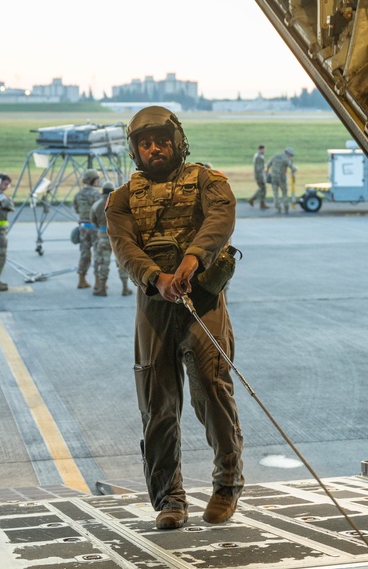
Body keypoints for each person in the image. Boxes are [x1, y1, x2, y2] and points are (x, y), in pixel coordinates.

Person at [107, 106, 244, 531]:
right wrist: (156, 277)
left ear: (177, 141)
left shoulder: (208, 181)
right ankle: (170, 497)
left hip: (201, 299)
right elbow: (125, 248)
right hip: (155, 304)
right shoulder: (121, 199)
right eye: (144, 144)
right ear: (135, 151)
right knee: (157, 402)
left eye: (161, 141)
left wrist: (192, 260)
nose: (154, 149)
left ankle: (226, 484)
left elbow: (221, 219)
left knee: (212, 390)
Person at [89, 181, 132, 297]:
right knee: (121, 263)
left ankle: (102, 288)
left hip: (103, 237)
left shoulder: (96, 205)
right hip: (118, 237)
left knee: (103, 262)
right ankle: (125, 288)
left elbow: (93, 221)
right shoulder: (119, 204)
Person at [73, 169, 102, 289]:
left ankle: (81, 280)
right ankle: (98, 282)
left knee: (84, 253)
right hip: (95, 228)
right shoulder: (97, 194)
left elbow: (76, 209)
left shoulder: (78, 194)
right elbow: (101, 210)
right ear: (93, 181)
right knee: (98, 255)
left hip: (83, 228)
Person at [267, 147, 297, 214]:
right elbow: (292, 167)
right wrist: (295, 168)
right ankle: (286, 208)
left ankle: (278, 208)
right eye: (291, 155)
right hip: (281, 177)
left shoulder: (276, 156)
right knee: (284, 193)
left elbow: (268, 164)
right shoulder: (286, 159)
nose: (291, 157)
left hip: (273, 177)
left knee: (275, 194)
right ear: (288, 154)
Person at [249, 145, 268, 210]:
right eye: (264, 149)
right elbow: (259, 168)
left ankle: (262, 203)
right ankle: (253, 198)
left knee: (263, 189)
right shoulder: (259, 157)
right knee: (262, 188)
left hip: (259, 175)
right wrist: (263, 176)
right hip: (260, 175)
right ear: (261, 149)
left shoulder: (257, 156)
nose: (264, 151)